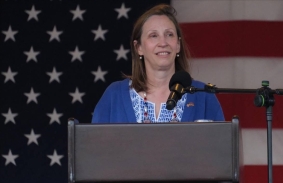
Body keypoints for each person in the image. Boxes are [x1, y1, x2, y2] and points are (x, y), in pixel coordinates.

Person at [92, 4, 224, 123]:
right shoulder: (114, 95)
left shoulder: (203, 96)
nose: (163, 43)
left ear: (178, 45)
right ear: (139, 47)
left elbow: (222, 147)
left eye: (169, 34)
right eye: (153, 35)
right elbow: (93, 147)